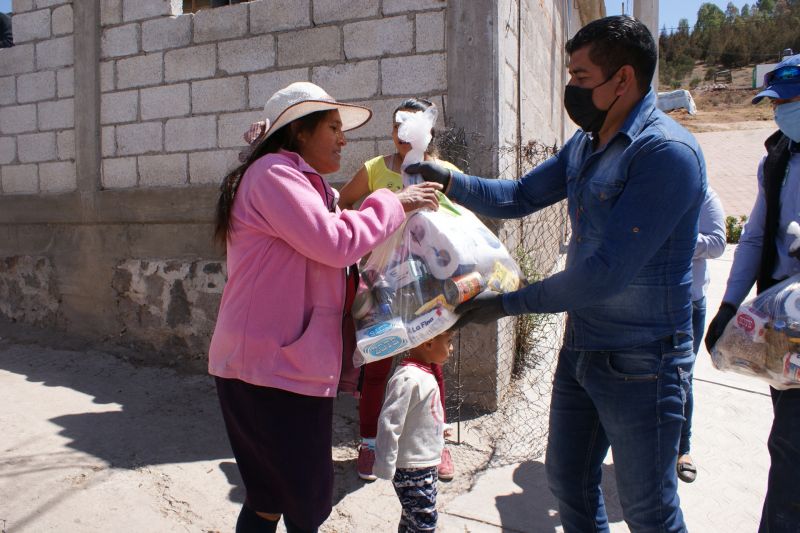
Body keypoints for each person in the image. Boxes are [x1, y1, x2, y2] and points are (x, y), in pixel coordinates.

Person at [409, 16, 706, 532]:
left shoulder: (665, 154)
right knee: (569, 483)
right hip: (583, 347)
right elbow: (520, 196)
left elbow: (604, 274)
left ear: (623, 79)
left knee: (649, 512)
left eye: (581, 77)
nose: (572, 89)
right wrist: (450, 180)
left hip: (644, 361)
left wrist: (504, 304)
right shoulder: (588, 143)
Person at [209, 81, 442, 533]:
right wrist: (391, 201)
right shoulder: (274, 174)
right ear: (299, 131)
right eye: (333, 128)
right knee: (302, 501)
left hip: (276, 363)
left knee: (270, 498)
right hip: (268, 368)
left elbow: (342, 236)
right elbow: (335, 242)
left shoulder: (300, 181)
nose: (343, 139)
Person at [338, 98, 459, 483]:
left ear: (428, 131)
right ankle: (369, 444)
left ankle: (436, 442)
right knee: (376, 364)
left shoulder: (445, 173)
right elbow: (342, 203)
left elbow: (460, 224)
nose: (401, 133)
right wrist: (365, 238)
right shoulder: (375, 168)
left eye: (409, 124)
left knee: (432, 363)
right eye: (396, 125)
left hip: (428, 284)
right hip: (381, 285)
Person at [705, 53, 800, 533]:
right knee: (787, 440)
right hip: (787, 325)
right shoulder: (778, 158)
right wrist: (728, 305)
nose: (779, 112)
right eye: (774, 104)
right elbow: (756, 237)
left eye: (788, 102)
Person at [373, 330, 454, 533]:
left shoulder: (424, 373)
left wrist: (439, 428)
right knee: (424, 521)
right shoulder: (408, 378)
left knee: (413, 518)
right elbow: (389, 423)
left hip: (425, 463)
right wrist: (385, 463)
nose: (451, 348)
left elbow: (422, 413)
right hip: (412, 467)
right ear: (429, 342)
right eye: (449, 342)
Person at [677, 187, 726, 483]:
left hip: (689, 303)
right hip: (650, 298)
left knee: (682, 376)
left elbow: (718, 243)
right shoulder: (650, 186)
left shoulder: (704, 195)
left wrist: (677, 238)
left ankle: (682, 449)